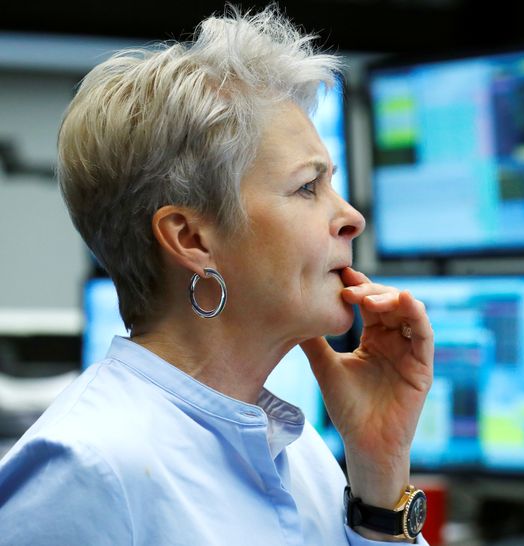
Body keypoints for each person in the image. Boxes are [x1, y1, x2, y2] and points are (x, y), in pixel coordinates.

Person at [0, 6, 434, 545]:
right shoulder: (85, 471)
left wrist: (380, 474)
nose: (351, 217)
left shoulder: (301, 454)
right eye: (308, 187)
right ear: (190, 239)